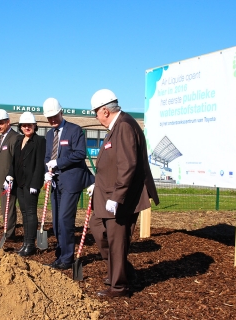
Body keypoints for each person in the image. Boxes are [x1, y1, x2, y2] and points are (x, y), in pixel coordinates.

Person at [88, 89, 159, 298]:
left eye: (96, 113)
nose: (96, 117)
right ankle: (123, 271)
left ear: (105, 111)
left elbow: (128, 165)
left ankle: (119, 286)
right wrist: (98, 185)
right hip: (107, 193)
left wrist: (116, 197)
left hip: (121, 198)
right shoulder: (116, 126)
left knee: (116, 241)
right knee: (97, 228)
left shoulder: (125, 126)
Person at [43, 98, 94, 270]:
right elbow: (47, 157)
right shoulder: (50, 135)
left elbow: (80, 154)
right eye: (49, 118)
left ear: (61, 112)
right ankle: (60, 254)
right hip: (56, 182)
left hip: (71, 181)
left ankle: (67, 258)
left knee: (65, 219)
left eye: (54, 116)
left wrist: (58, 162)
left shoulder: (74, 130)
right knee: (57, 221)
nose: (52, 120)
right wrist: (46, 171)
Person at [6, 112, 46, 256]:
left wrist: (36, 183)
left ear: (35, 126)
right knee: (24, 212)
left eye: (29, 125)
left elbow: (40, 164)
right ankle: (25, 242)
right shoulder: (19, 141)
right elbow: (14, 161)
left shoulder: (40, 141)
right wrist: (10, 175)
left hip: (31, 184)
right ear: (20, 127)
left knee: (30, 213)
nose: (26, 127)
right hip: (19, 183)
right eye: (24, 125)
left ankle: (30, 244)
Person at [0, 109, 20, 242]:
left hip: (9, 180)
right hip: (0, 179)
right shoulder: (0, 138)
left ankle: (9, 235)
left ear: (8, 122)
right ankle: (6, 232)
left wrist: (10, 176)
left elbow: (15, 159)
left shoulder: (15, 137)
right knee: (4, 207)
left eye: (1, 123)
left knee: (9, 207)